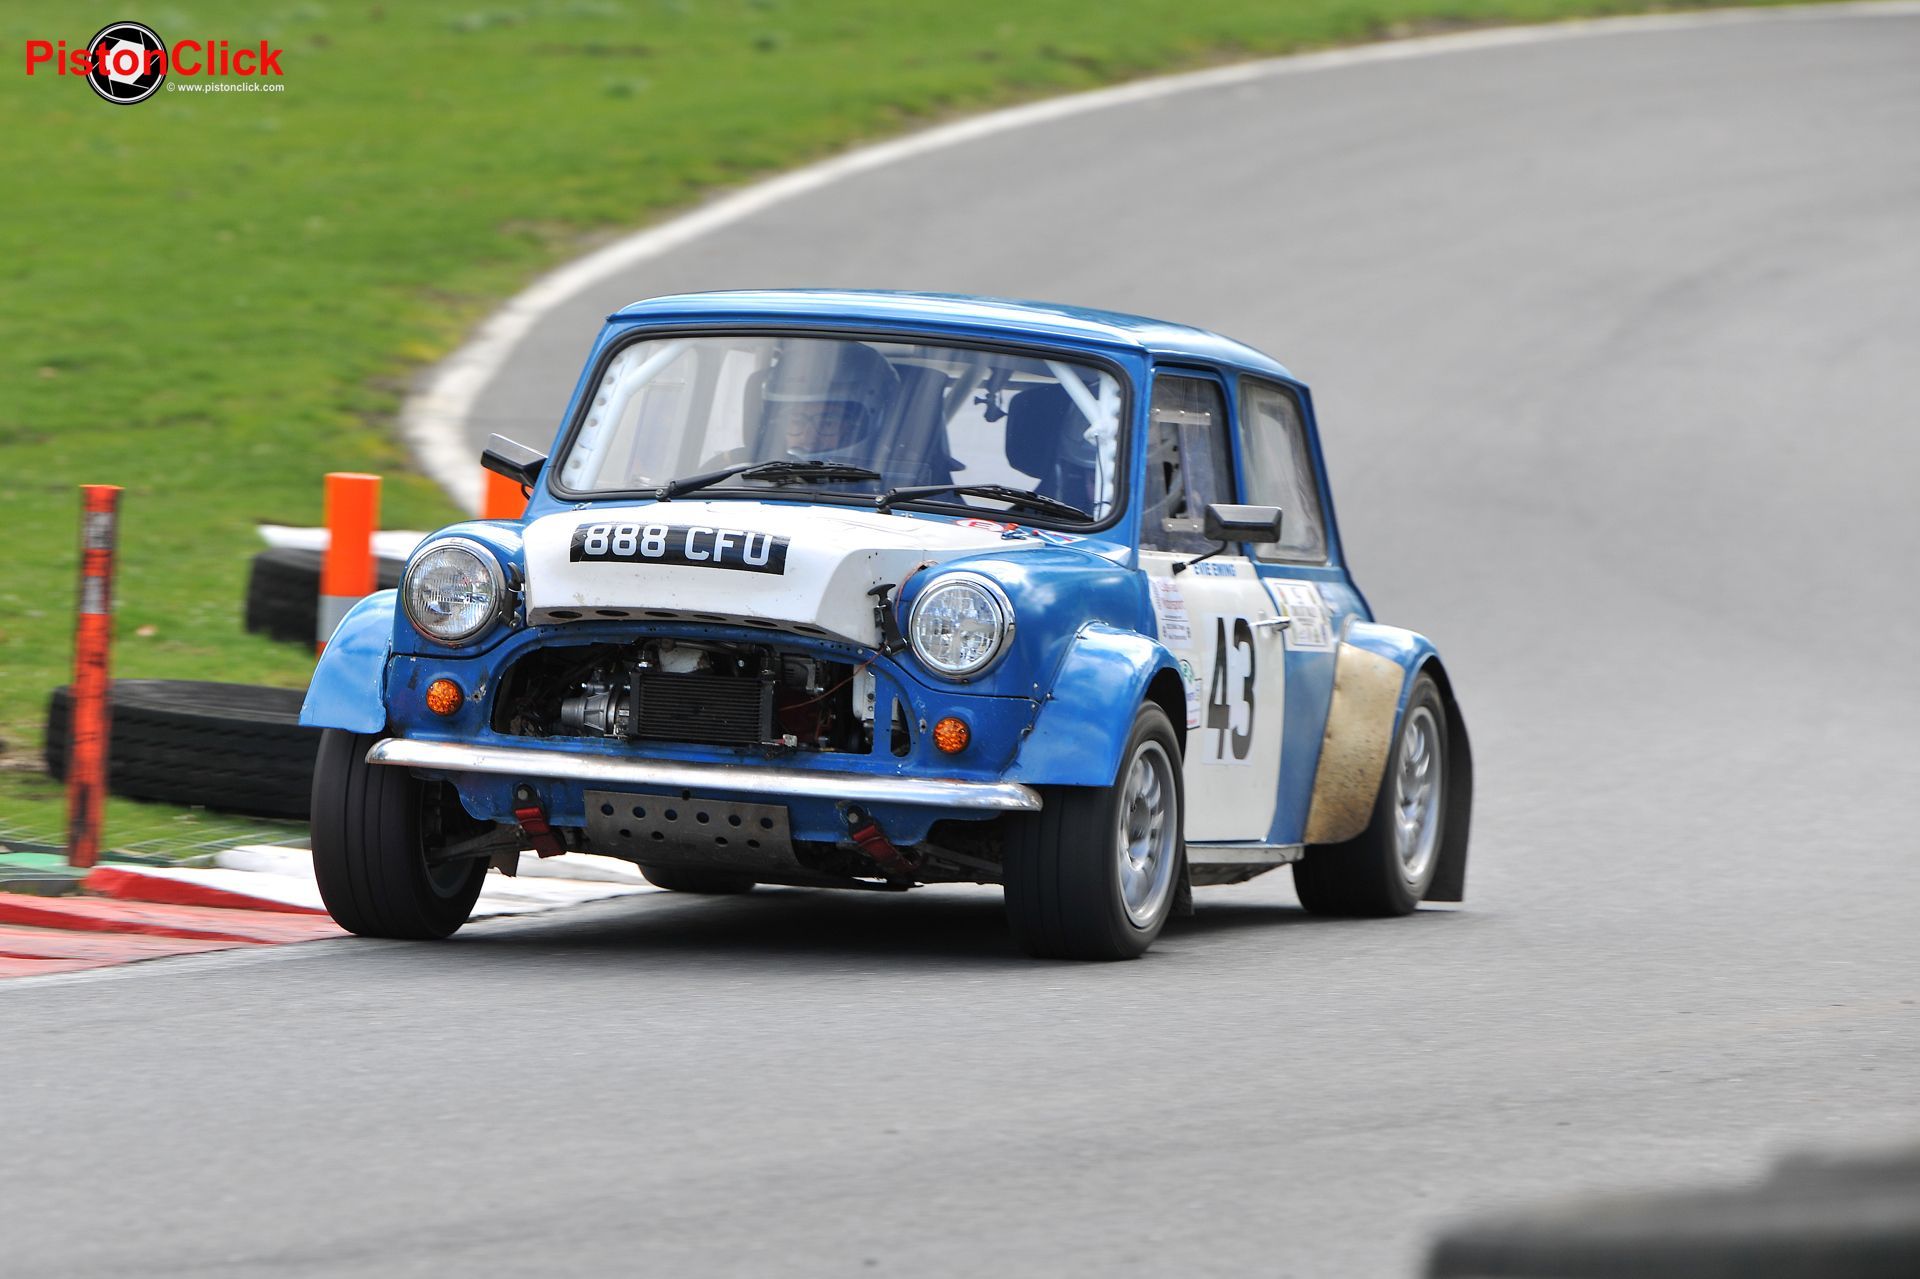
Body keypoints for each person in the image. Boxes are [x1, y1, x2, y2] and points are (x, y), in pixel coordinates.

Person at [759, 341, 899, 462]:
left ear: (858, 427)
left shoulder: (897, 476)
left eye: (827, 424)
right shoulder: (754, 474)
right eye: (797, 422)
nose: (809, 438)